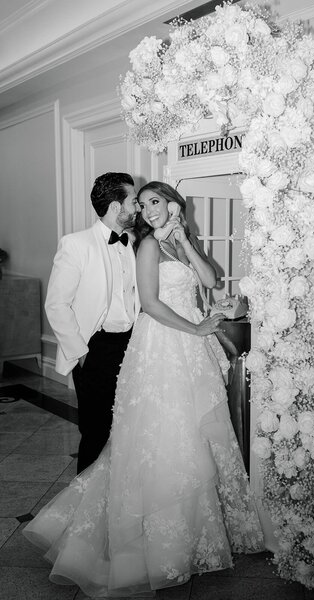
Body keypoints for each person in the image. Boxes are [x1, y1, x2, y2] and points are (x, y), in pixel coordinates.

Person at [23, 181, 265, 598]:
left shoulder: (164, 240)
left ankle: (187, 535)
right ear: (119, 204)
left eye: (154, 202)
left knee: (190, 437)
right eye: (140, 202)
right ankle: (111, 533)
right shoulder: (141, 245)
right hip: (154, 344)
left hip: (179, 348)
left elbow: (209, 277)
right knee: (137, 436)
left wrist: (186, 241)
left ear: (174, 205)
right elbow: (149, 303)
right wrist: (194, 327)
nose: (145, 209)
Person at [44, 172, 141, 473]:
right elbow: (56, 304)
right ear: (116, 207)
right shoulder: (75, 244)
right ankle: (85, 499)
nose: (137, 208)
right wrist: (81, 351)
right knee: (96, 430)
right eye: (133, 202)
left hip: (132, 344)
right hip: (94, 349)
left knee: (128, 424)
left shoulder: (133, 241)